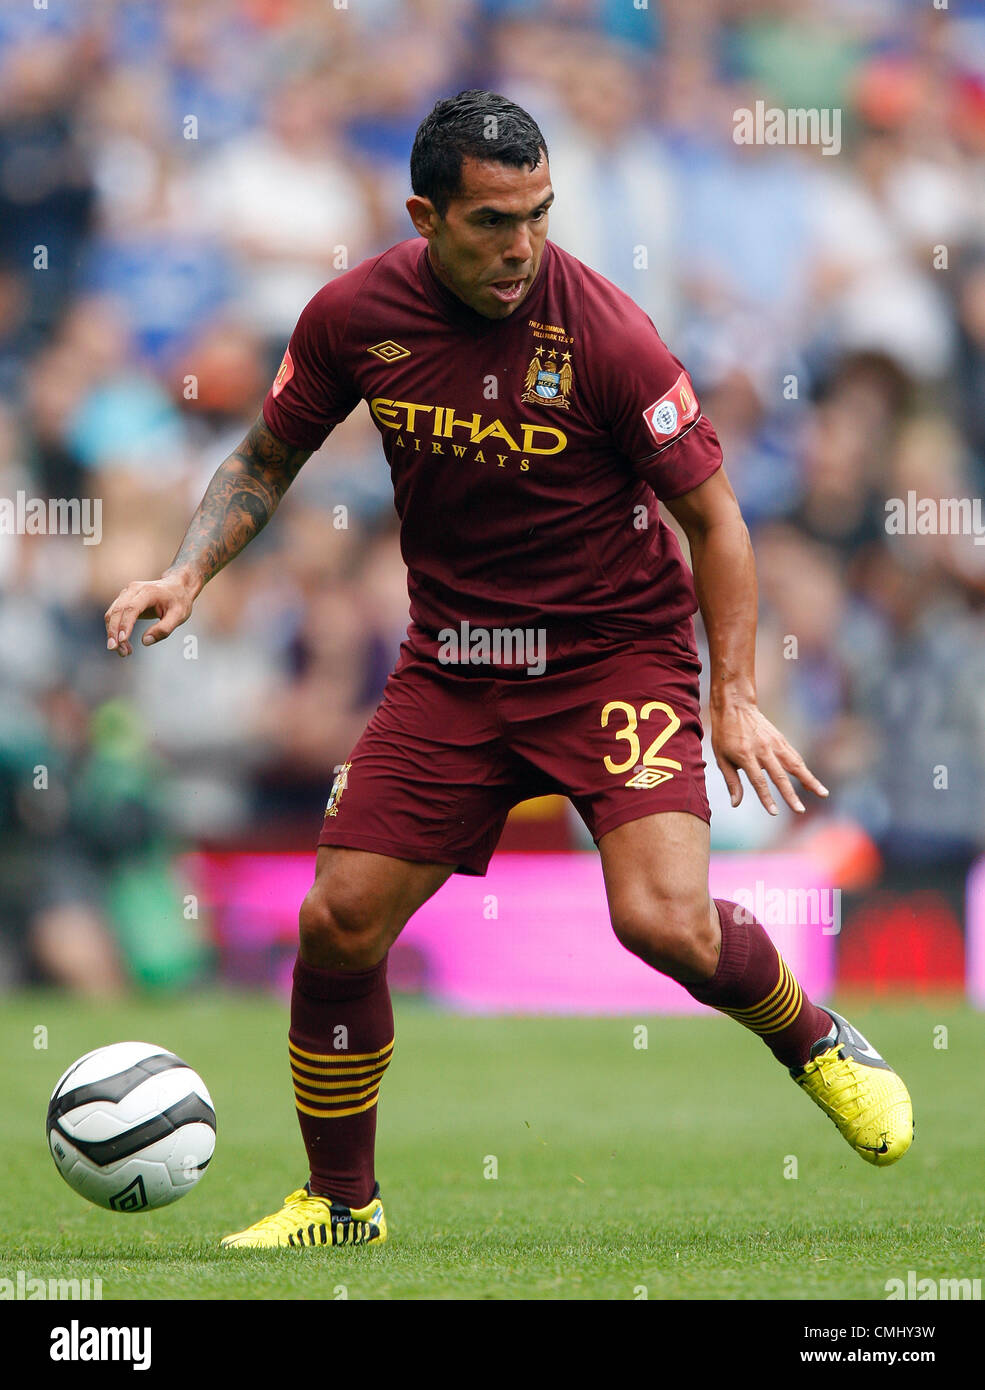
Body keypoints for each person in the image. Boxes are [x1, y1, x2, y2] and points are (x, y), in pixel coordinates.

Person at [104, 91, 913, 1250]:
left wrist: (731, 694)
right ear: (423, 215)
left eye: (537, 214)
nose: (520, 246)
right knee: (335, 922)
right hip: (456, 664)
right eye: (491, 221)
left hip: (612, 657)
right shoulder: (353, 316)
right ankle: (343, 1204)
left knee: (662, 923)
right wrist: (188, 574)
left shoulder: (608, 334)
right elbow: (267, 455)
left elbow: (718, 523)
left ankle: (817, 1038)